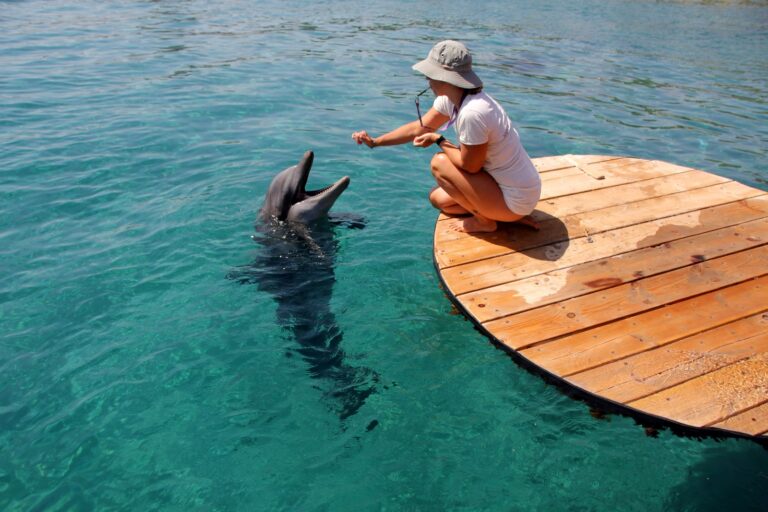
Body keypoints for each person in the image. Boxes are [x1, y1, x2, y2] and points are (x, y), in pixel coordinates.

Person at [351, 40, 541, 233]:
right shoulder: (456, 99)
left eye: (429, 75)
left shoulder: (472, 113)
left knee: (439, 163)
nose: (428, 81)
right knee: (439, 200)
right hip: (509, 189)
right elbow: (418, 128)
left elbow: (471, 167)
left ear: (443, 78)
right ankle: (505, 218)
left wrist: (439, 140)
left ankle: (486, 221)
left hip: (515, 199)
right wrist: (375, 142)